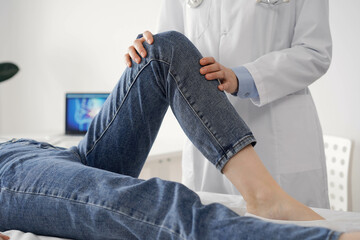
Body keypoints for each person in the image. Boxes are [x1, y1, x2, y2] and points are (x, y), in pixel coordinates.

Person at [0, 32, 358, 240]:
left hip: (26, 155)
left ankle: (264, 195)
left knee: (162, 49)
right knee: (134, 201)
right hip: (13, 172)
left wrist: (139, 47)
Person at [130, 0, 332, 208]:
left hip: (277, 138)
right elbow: (168, 48)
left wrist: (242, 77)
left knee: (293, 228)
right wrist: (145, 51)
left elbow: (314, 52)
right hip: (205, 138)